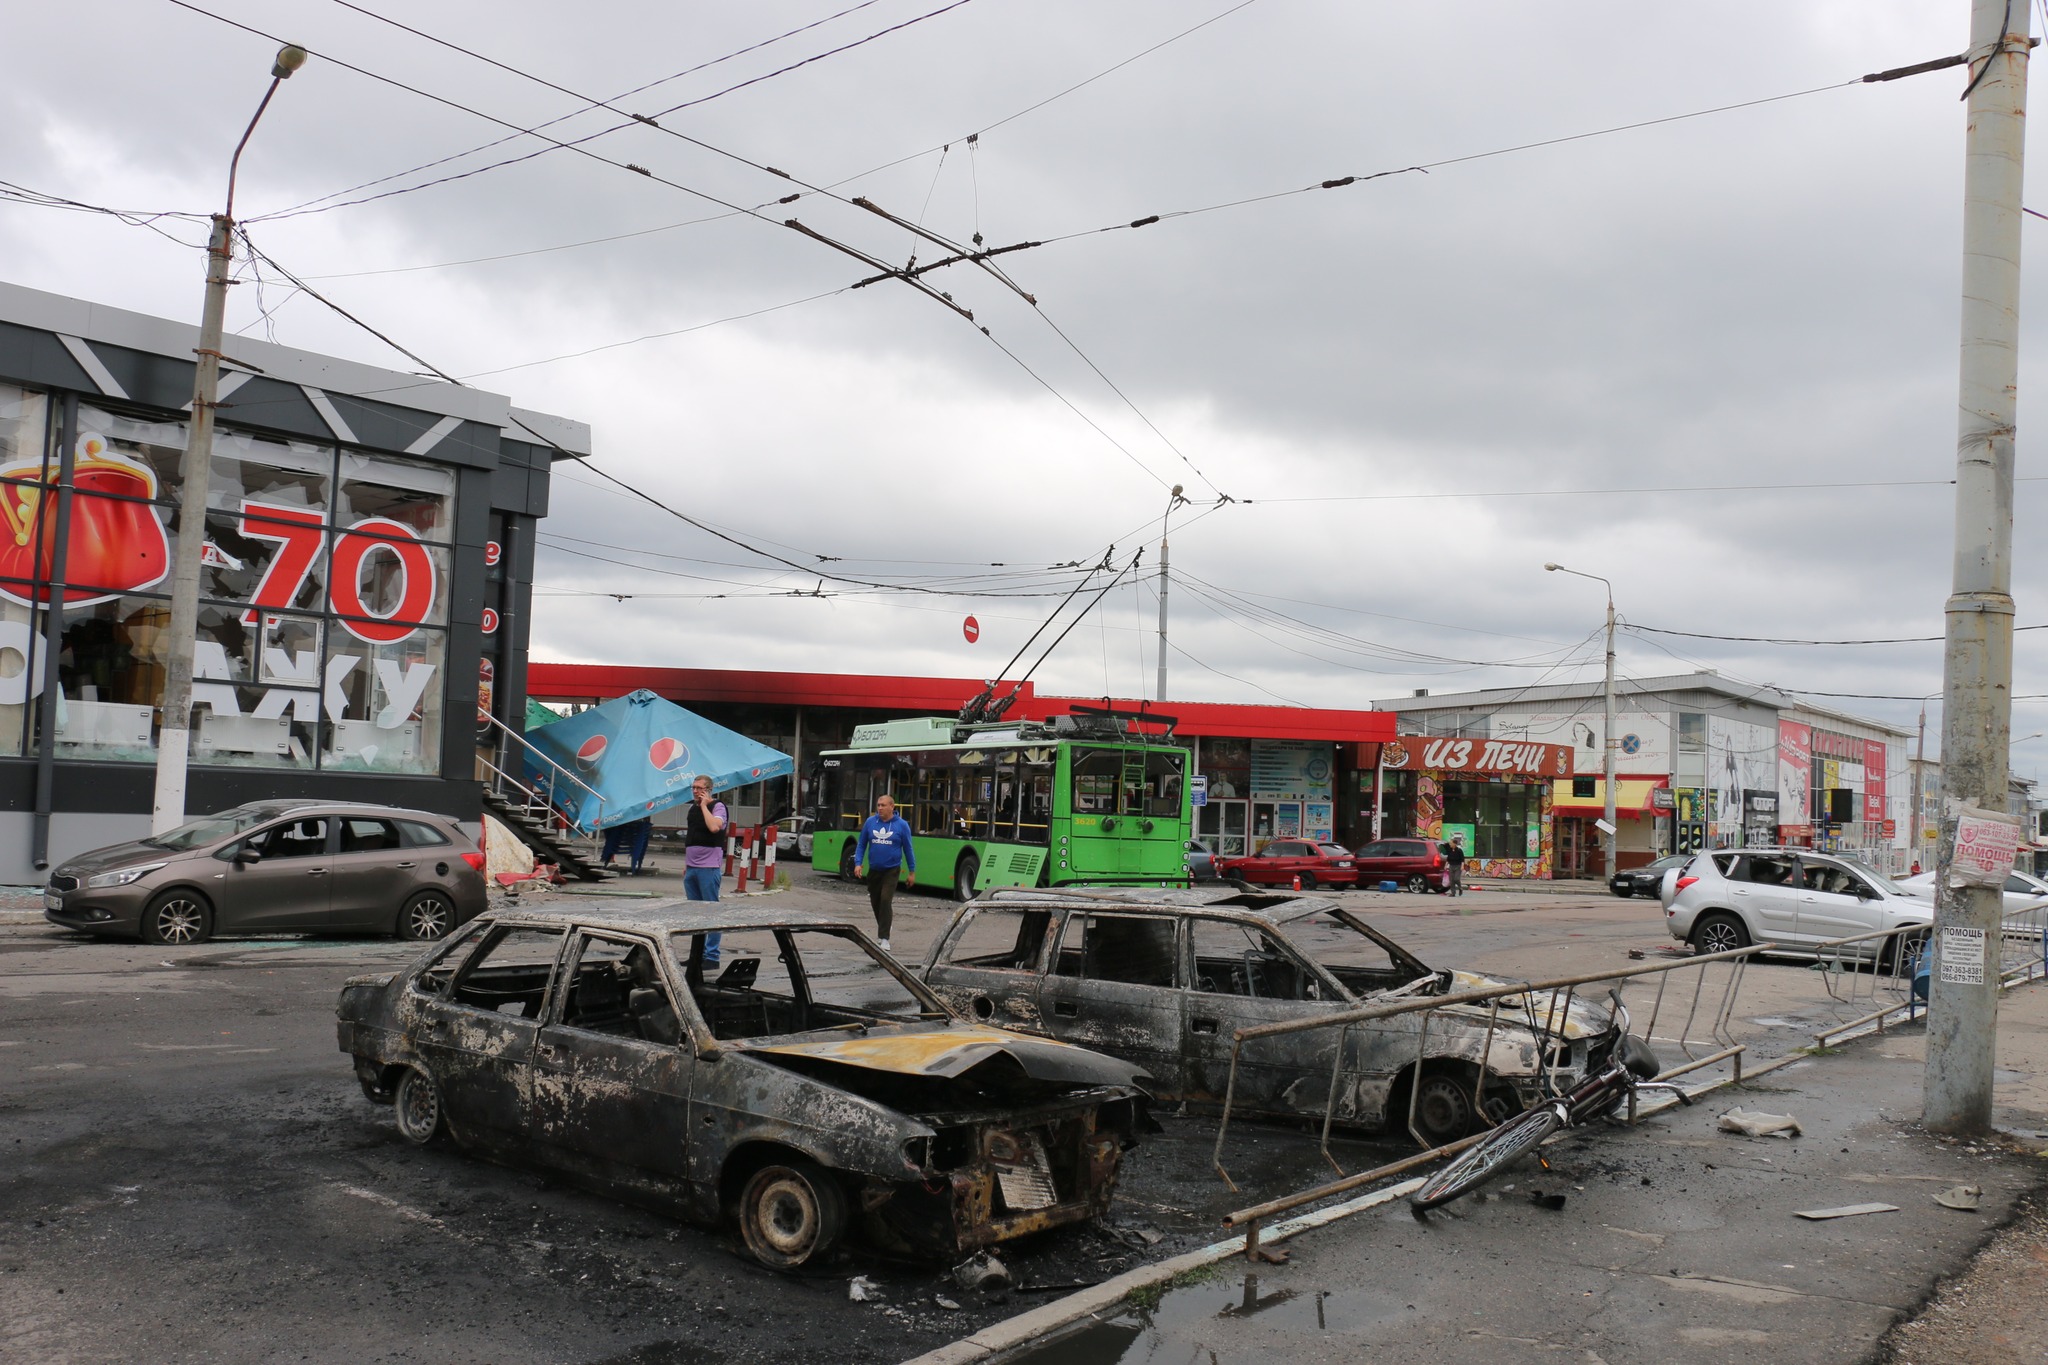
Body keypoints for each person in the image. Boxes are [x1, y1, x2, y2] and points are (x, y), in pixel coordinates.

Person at [854, 793, 916, 951]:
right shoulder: (870, 822)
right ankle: (885, 926)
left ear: (892, 807)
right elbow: (861, 844)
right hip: (874, 870)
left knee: (885, 899)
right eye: (878, 805)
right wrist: (858, 863)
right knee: (876, 902)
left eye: (883, 805)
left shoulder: (901, 825)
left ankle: (884, 938)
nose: (880, 808)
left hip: (892, 870)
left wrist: (911, 871)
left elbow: (908, 849)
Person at [682, 776, 727, 966]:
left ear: (708, 790)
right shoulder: (692, 808)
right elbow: (692, 835)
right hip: (692, 866)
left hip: (708, 867)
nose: (695, 791)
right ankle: (696, 955)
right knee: (695, 913)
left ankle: (712, 956)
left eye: (699, 788)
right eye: (693, 787)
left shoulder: (718, 806)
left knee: (711, 912)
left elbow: (714, 827)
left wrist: (703, 806)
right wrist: (686, 865)